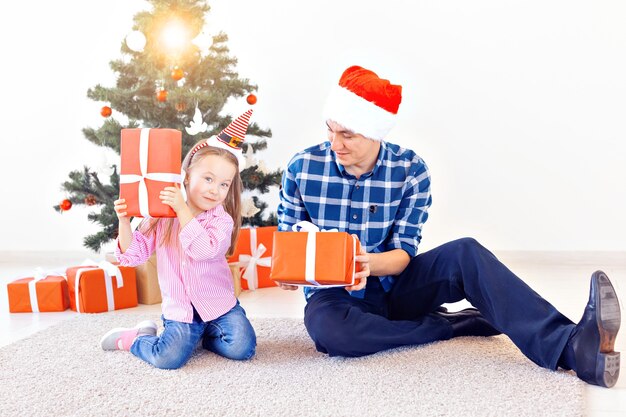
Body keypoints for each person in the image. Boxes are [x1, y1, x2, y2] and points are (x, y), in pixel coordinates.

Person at [276, 65, 621, 388]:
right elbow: (288, 242)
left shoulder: (411, 170)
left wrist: (365, 263)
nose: (335, 144)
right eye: (330, 130)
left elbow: (402, 254)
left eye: (347, 135)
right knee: (333, 335)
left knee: (464, 252)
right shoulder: (303, 167)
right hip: (333, 295)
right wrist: (291, 273)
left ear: (373, 132)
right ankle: (453, 324)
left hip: (394, 284)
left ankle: (572, 347)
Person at [100, 110, 257, 370]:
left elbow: (203, 250)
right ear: (186, 176)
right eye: (208, 179)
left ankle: (205, 337)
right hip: (181, 310)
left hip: (219, 305)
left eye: (223, 184)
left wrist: (182, 210)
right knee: (167, 358)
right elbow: (133, 255)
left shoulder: (221, 220)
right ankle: (136, 339)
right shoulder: (162, 215)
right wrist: (125, 222)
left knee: (243, 347)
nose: (214, 190)